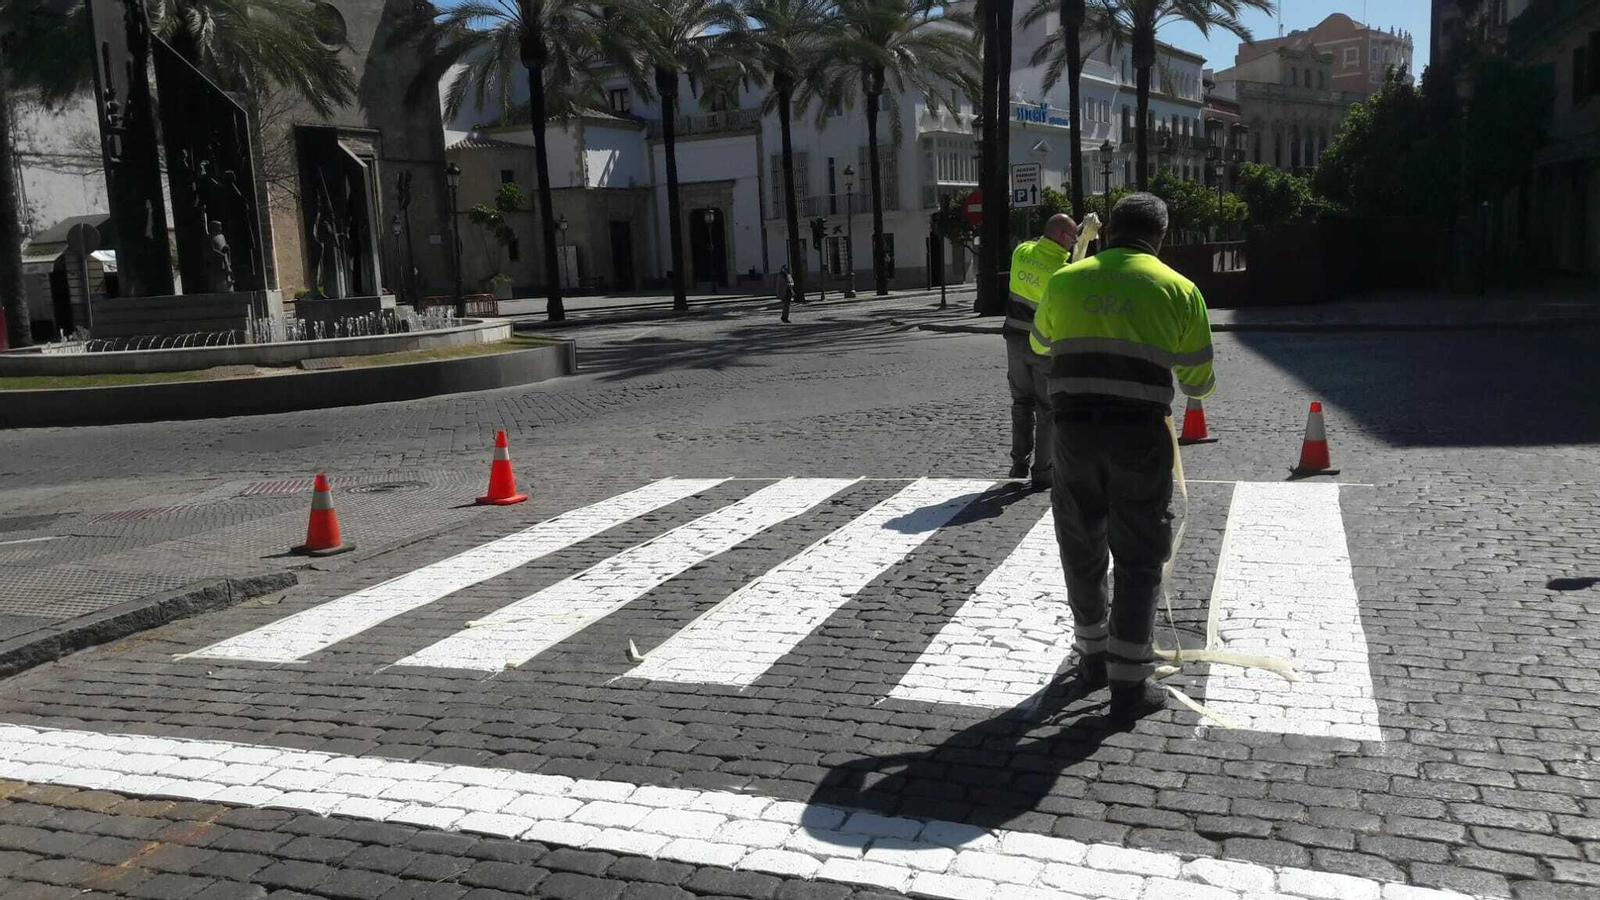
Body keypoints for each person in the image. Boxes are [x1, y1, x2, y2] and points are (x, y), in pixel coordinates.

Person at [1030, 193, 1216, 719]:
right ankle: (1130, 684)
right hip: (1139, 435)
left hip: (1074, 432)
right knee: (1138, 553)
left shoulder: (1064, 280)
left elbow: (1042, 346)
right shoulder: (1179, 288)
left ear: (1109, 230)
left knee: (1081, 542)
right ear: (1161, 236)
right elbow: (1199, 380)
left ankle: (1091, 657)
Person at [1005, 214, 1077, 489]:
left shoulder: (1021, 252)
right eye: (1072, 238)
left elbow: (1036, 242)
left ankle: (1019, 463)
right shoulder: (1062, 270)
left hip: (1014, 339)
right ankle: (1043, 471)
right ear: (1061, 237)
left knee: (1021, 403)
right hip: (1043, 344)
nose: (1073, 243)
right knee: (1046, 408)